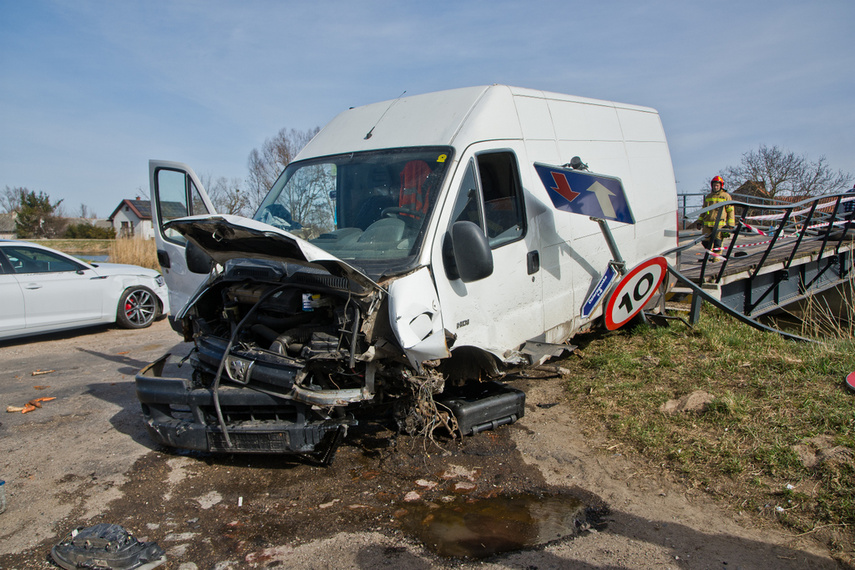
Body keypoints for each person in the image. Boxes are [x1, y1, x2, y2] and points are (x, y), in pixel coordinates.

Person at [695, 175, 735, 254]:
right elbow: (703, 210)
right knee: (705, 242)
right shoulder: (709, 196)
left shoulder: (726, 196)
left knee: (717, 243)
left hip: (719, 224)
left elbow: (730, 210)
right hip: (707, 224)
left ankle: (716, 260)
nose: (715, 187)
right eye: (714, 185)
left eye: (717, 185)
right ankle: (710, 255)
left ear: (721, 186)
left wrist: (730, 224)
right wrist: (699, 221)